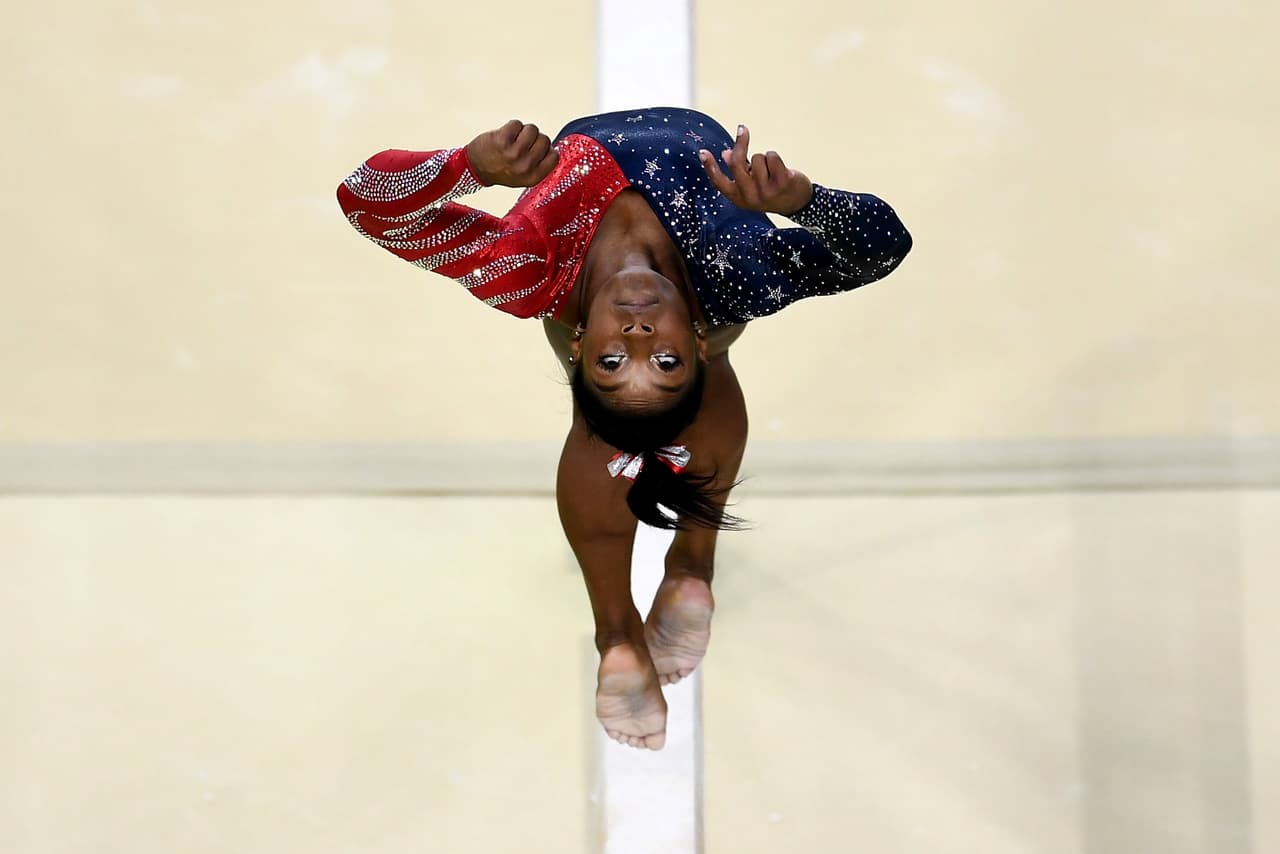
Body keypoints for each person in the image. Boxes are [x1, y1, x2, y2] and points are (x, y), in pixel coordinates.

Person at [337, 107, 912, 750]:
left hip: (578, 275)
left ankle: (616, 635)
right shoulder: (739, 272)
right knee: (691, 375)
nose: (639, 336)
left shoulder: (527, 268)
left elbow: (365, 200)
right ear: (691, 342)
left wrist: (468, 166)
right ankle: (692, 565)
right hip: (708, 291)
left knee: (620, 416)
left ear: (581, 345)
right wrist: (804, 201)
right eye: (665, 361)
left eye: (612, 363)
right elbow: (884, 246)